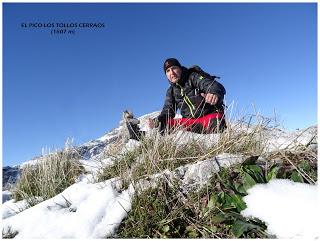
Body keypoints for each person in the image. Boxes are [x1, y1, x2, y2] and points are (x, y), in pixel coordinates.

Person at [124, 58, 226, 140]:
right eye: (168, 71)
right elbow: (168, 112)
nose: (171, 73)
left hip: (210, 117)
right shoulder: (171, 91)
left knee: (216, 128)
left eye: (174, 68)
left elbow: (213, 85)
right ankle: (139, 136)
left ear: (180, 68)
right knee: (164, 125)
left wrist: (214, 93)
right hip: (191, 123)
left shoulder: (193, 77)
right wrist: (157, 121)